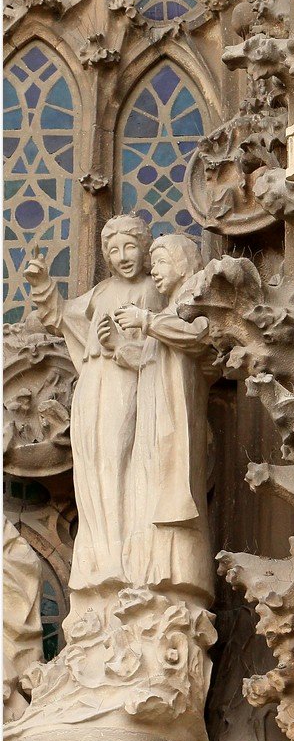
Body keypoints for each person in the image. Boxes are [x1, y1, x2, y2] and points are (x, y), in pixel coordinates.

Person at [25, 216, 161, 597]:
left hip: (128, 385)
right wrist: (42, 285)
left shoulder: (154, 290)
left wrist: (122, 341)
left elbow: (164, 347)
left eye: (130, 247)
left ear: (145, 248)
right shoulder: (101, 292)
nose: (123, 257)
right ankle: (100, 557)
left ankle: (128, 559)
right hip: (94, 389)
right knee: (94, 471)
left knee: (123, 464)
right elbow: (61, 315)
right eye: (114, 250)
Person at [113, 233, 215, 603]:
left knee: (173, 498)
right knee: (152, 495)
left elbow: (197, 338)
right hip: (155, 423)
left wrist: (147, 320)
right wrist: (123, 349)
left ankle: (178, 578)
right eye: (152, 264)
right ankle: (154, 573)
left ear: (184, 263)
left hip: (177, 419)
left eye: (161, 262)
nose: (153, 271)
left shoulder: (194, 301)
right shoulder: (168, 311)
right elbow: (154, 359)